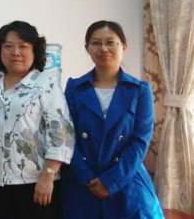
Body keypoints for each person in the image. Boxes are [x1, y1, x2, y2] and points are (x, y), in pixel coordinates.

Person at [62, 20, 164, 219]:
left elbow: (140, 142)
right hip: (84, 182)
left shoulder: (140, 90)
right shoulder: (74, 88)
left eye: (110, 42)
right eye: (96, 43)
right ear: (87, 49)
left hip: (127, 180)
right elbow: (67, 137)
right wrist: (87, 177)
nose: (103, 49)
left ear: (123, 47)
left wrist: (111, 182)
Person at [0, 20, 74, 219]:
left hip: (36, 182)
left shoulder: (46, 85)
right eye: (8, 46)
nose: (15, 52)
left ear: (35, 51)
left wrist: (48, 175)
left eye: (23, 46)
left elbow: (62, 134)